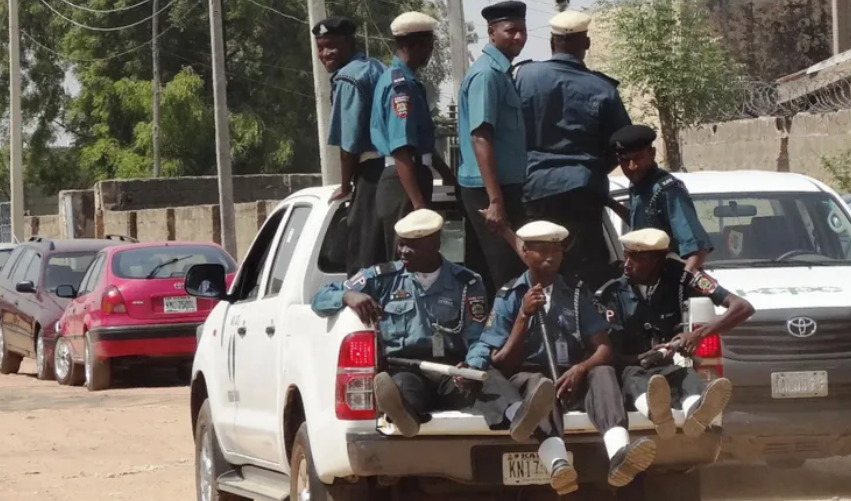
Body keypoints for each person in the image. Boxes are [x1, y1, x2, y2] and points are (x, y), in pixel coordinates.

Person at [311, 209, 554, 443]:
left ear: (435, 243)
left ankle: (518, 417)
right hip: (406, 367)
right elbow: (320, 298)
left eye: (412, 245)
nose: (403, 251)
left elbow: (480, 337)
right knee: (402, 387)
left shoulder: (467, 282)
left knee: (489, 379)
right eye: (401, 244)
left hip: (453, 369)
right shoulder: (382, 278)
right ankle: (402, 415)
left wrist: (472, 365)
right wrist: (348, 297)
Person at [467, 221, 657, 493]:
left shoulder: (578, 293)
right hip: (529, 377)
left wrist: (582, 368)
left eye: (556, 251)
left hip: (570, 376)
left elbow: (604, 349)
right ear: (525, 253)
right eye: (542, 250)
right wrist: (524, 316)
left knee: (602, 371)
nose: (550, 257)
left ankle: (619, 454)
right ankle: (558, 465)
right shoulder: (508, 296)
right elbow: (501, 363)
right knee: (538, 385)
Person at [513, 9, 632, 292]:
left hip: (536, 188)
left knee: (538, 270)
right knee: (585, 276)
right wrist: (591, 170)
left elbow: (506, 133)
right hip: (584, 191)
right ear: (586, 44)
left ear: (552, 42)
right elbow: (624, 142)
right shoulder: (603, 88)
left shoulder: (524, 77)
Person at [596, 228, 754, 439]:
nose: (627, 264)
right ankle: (658, 415)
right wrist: (642, 358)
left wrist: (697, 334)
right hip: (631, 367)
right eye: (627, 256)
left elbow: (742, 307)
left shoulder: (683, 277)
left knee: (686, 376)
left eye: (637, 258)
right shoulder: (611, 293)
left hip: (667, 365)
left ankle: (696, 414)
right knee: (635, 379)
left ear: (658, 259)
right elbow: (608, 353)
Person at [456, 1, 529, 301]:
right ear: (491, 33)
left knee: (500, 275)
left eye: (522, 30)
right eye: (510, 30)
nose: (519, 37)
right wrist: (496, 200)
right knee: (505, 277)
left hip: (502, 187)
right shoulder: (487, 75)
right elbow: (481, 137)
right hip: (490, 191)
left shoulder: (501, 72)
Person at [370, 12, 456, 261]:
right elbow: (401, 150)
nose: (430, 53)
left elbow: (420, 143)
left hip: (410, 176)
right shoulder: (401, 87)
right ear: (415, 45)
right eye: (429, 46)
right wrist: (418, 204)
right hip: (403, 181)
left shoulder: (405, 81)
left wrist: (447, 175)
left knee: (419, 260)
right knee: (408, 260)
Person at [313, 16, 388, 277]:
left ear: (349, 43)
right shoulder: (377, 67)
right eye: (320, 47)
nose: (325, 54)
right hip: (396, 168)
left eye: (331, 46)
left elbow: (349, 147)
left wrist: (345, 186)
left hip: (372, 172)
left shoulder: (348, 78)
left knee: (362, 260)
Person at [608, 124, 713, 271]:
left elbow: (697, 248)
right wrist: (610, 203)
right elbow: (641, 225)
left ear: (652, 154)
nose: (632, 166)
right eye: (625, 160)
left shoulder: (667, 190)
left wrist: (680, 282)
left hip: (666, 279)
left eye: (638, 158)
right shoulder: (637, 187)